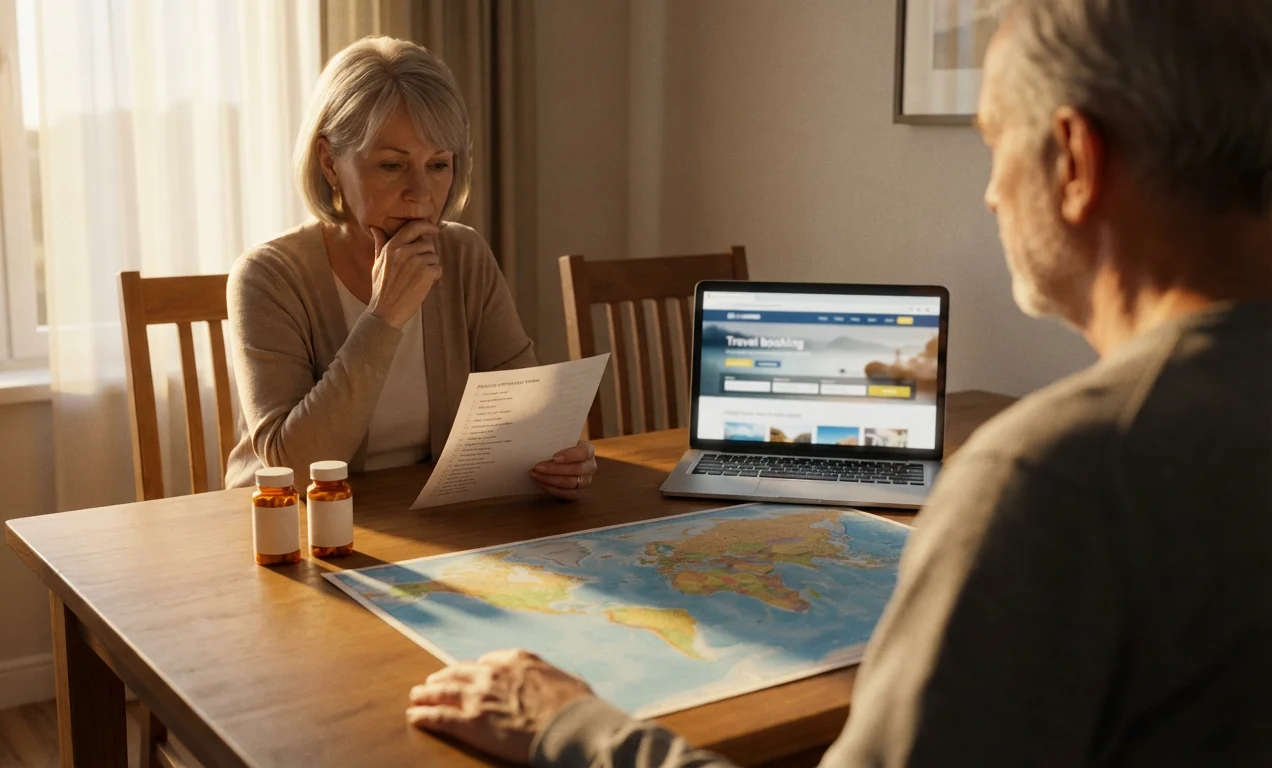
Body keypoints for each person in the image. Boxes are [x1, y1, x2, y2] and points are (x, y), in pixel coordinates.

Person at [405, 0, 1272, 765]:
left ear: (1076, 161)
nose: (992, 198)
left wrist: (573, 728)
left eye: (993, 144)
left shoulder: (1055, 480)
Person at [226, 36, 596, 495]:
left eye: (438, 164)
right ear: (329, 162)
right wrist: (384, 317)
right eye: (391, 165)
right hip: (291, 532)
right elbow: (296, 471)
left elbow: (524, 410)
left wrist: (557, 456)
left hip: (425, 522)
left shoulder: (465, 255)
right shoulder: (266, 276)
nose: (421, 194)